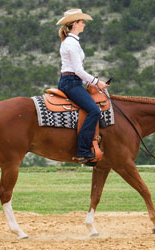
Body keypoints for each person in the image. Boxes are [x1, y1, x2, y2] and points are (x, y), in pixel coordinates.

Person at [56, 9, 108, 163]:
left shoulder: (72, 42)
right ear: (74, 24)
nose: (84, 24)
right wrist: (96, 82)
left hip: (73, 81)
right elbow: (78, 70)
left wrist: (91, 83)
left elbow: (77, 71)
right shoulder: (71, 43)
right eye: (81, 21)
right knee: (93, 110)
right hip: (70, 83)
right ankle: (83, 150)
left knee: (93, 107)